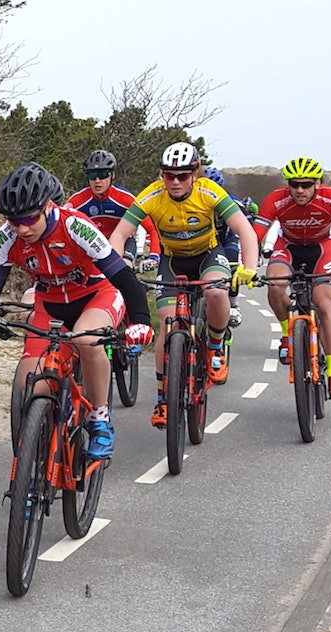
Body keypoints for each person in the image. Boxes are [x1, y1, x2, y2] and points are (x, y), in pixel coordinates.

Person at [0, 162, 153, 460]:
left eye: (29, 218)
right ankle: (33, 469)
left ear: (48, 206)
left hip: (96, 294)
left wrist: (140, 321)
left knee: (87, 341)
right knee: (29, 384)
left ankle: (99, 419)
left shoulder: (75, 227)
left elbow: (124, 279)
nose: (21, 228)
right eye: (13, 221)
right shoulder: (6, 237)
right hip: (49, 304)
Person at [109, 142, 259, 426]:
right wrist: (117, 273)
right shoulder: (152, 195)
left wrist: (249, 268)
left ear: (195, 173)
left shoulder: (209, 192)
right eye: (169, 175)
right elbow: (119, 235)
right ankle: (163, 399)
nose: (175, 182)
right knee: (166, 327)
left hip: (207, 256)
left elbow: (244, 230)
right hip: (172, 260)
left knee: (216, 292)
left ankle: (215, 348)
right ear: (161, 175)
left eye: (182, 176)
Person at [252, 156, 331, 399]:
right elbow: (255, 235)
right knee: (276, 284)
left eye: (306, 184)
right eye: (294, 184)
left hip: (322, 248)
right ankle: (287, 335)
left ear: (317, 183)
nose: (299, 190)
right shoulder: (276, 199)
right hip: (288, 247)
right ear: (288, 184)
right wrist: (247, 266)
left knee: (323, 304)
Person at [67, 149, 162, 272]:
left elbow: (152, 228)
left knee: (123, 269)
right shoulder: (77, 200)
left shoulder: (125, 198)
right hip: (91, 247)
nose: (97, 180)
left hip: (124, 245)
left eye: (102, 175)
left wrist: (153, 256)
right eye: (92, 175)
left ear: (112, 175)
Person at [201, 165, 247, 328]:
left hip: (227, 240)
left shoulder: (231, 201)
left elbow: (246, 224)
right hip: (203, 244)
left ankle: (233, 304)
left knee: (233, 267)